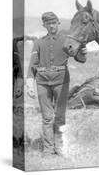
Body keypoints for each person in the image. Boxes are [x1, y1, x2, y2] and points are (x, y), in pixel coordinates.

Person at [26, 12, 87, 156]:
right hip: (42, 83)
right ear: (44, 25)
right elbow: (32, 65)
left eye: (54, 23)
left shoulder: (66, 40)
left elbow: (80, 58)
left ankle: (59, 148)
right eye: (48, 23)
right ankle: (48, 150)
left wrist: (83, 52)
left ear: (58, 23)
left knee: (59, 116)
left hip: (61, 81)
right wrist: (29, 85)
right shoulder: (38, 43)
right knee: (47, 117)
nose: (51, 26)